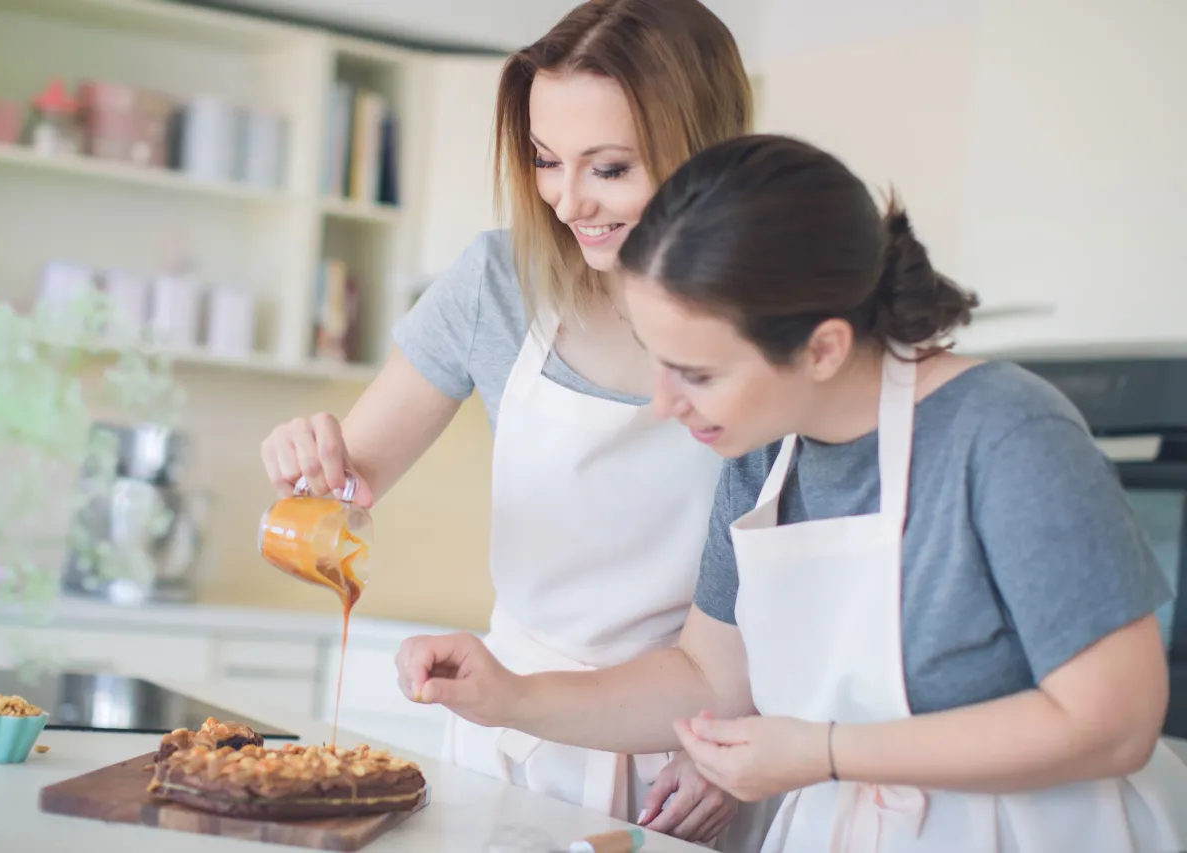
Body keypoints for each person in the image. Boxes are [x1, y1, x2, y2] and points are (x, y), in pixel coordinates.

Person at [394, 133, 1187, 852]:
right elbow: (709, 679)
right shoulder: (766, 456)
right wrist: (513, 695)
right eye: (656, 359)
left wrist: (824, 750)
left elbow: (1112, 722)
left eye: (698, 373)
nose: (665, 404)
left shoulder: (1007, 433)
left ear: (823, 348)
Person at [259, 0, 779, 847]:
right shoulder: (498, 285)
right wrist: (304, 464)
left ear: (702, 158)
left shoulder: (778, 328)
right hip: (504, 739)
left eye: (610, 168)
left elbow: (795, 596)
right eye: (546, 160)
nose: (570, 202)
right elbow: (342, 491)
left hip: (683, 762)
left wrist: (739, 730)